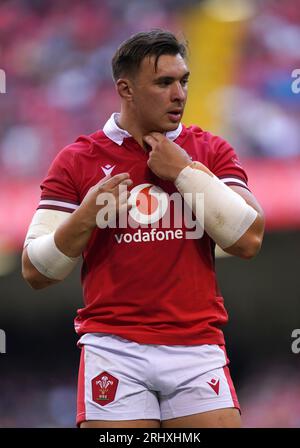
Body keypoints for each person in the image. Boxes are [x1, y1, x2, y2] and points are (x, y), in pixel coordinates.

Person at [22, 29, 264, 428]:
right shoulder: (77, 160)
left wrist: (184, 173)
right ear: (126, 88)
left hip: (196, 346)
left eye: (183, 81)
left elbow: (248, 239)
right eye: (164, 82)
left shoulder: (209, 150)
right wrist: (85, 217)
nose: (179, 94)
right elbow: (37, 270)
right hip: (115, 350)